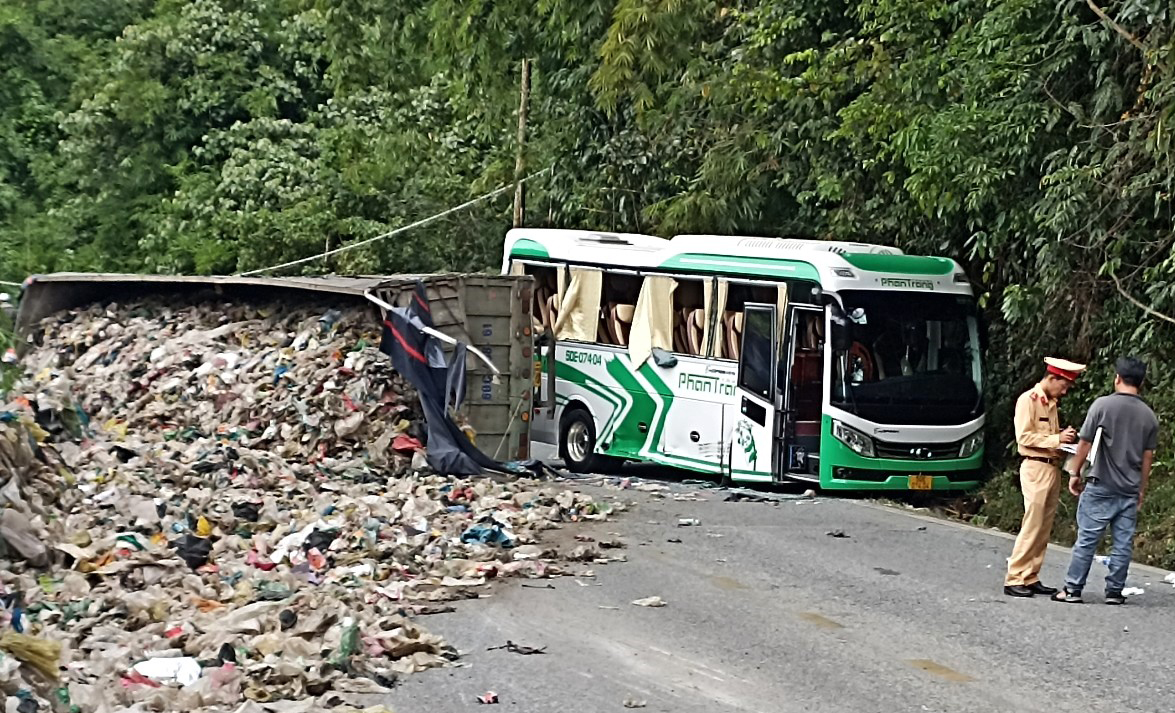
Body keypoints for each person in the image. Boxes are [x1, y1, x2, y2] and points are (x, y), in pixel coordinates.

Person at [1052, 357, 1158, 605]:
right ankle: (1114, 592)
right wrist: (1141, 489)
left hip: (1101, 485)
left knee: (1087, 538)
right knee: (1122, 542)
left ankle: (1073, 589)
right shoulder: (1149, 416)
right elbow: (1147, 457)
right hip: (1129, 489)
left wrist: (1075, 472)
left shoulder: (1103, 405)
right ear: (1141, 383)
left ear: (1117, 378)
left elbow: (1085, 442)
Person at [1004, 357, 1086, 598]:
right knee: (1032, 524)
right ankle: (1014, 578)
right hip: (1035, 468)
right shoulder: (1027, 401)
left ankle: (1031, 576)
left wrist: (1064, 440)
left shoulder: (1050, 403)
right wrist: (1057, 439)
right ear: (1052, 378)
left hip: (1052, 466)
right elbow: (1024, 438)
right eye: (1064, 385)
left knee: (1044, 527)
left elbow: (1046, 438)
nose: (1066, 390)